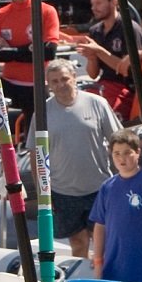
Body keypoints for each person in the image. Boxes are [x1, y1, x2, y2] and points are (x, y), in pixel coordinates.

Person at [43, 58, 121, 259]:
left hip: (98, 187)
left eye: (64, 79)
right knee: (78, 244)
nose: (61, 85)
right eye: (55, 81)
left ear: (74, 78)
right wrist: (43, 192)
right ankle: (82, 281)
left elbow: (117, 141)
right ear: (49, 84)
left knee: (103, 241)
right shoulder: (43, 111)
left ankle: (105, 281)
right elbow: (38, 156)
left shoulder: (97, 103)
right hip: (64, 191)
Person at [0, 0, 64, 128]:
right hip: (10, 83)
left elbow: (49, 52)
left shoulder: (46, 11)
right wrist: (28, 49)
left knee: (34, 133)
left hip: (37, 85)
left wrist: (11, 52)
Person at [89, 129, 142, 282]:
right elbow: (100, 225)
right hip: (114, 268)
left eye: (127, 153)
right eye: (116, 153)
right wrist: (98, 261)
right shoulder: (107, 187)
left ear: (138, 152)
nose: (121, 158)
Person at [77, 0, 142, 123]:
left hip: (127, 89)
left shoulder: (129, 29)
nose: (94, 8)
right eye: (92, 4)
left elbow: (128, 70)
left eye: (98, 3)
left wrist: (99, 50)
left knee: (106, 119)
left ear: (114, 2)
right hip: (103, 84)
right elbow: (93, 74)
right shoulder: (95, 31)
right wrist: (91, 57)